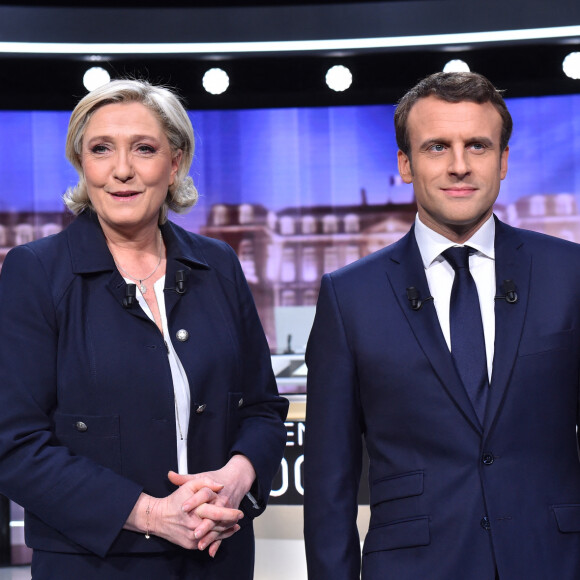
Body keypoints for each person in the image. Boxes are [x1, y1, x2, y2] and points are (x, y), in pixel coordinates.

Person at [0, 79, 288, 579]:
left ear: (174, 163)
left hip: (218, 557)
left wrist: (237, 478)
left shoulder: (217, 265)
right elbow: (15, 443)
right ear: (82, 164)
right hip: (95, 565)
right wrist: (153, 514)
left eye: (144, 149)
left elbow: (263, 409)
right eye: (101, 149)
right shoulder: (36, 272)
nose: (122, 170)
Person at [303, 71, 580, 579]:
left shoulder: (570, 273)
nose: (459, 166)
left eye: (477, 145)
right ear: (406, 165)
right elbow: (329, 485)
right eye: (436, 147)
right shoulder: (349, 297)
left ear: (503, 161)